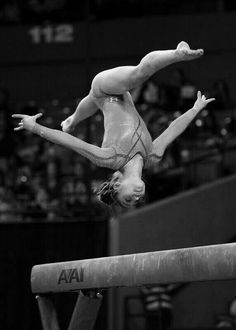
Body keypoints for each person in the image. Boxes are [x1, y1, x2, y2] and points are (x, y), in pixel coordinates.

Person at [12, 41, 215, 208]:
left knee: (138, 75)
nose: (136, 197)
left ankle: (177, 53)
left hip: (106, 89)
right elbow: (173, 130)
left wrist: (34, 127)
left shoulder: (110, 158)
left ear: (117, 184)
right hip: (112, 95)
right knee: (95, 99)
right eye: (137, 200)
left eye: (128, 198)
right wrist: (196, 109)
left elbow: (68, 141)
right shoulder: (152, 156)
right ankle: (72, 119)